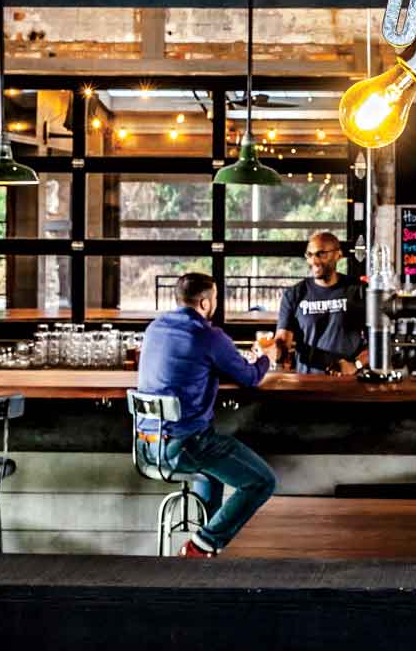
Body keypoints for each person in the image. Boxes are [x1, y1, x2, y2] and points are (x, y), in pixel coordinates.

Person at [135, 271, 278, 557]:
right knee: (262, 481)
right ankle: (203, 545)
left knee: (212, 473)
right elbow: (250, 377)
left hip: (146, 447)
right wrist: (267, 358)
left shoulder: (154, 328)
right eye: (215, 299)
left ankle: (202, 549)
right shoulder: (209, 335)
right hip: (185, 446)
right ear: (204, 303)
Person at [276, 230, 368, 374]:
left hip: (349, 381)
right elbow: (283, 341)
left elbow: (380, 342)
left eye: (321, 254)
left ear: (338, 255)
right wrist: (274, 349)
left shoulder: (359, 290)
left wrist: (355, 364)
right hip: (308, 381)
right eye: (310, 255)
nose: (314, 261)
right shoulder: (294, 294)